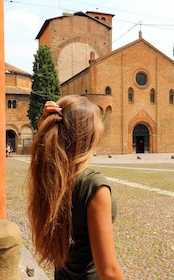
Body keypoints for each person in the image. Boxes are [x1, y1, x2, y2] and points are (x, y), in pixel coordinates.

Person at [27, 95, 124, 280]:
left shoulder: (49, 178)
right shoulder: (93, 186)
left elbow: (43, 157)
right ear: (88, 135)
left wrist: (44, 130)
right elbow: (109, 272)